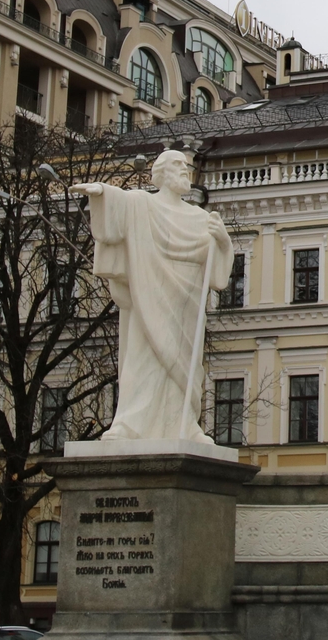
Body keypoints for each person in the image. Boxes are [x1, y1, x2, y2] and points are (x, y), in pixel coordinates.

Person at [71, 149, 232, 442]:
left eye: (187, 166)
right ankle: (129, 424)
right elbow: (117, 204)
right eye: (178, 165)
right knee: (143, 357)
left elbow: (218, 275)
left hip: (187, 299)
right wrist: (100, 194)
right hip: (148, 292)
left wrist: (222, 239)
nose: (186, 170)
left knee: (186, 362)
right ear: (161, 173)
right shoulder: (142, 204)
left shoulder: (200, 217)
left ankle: (186, 426)